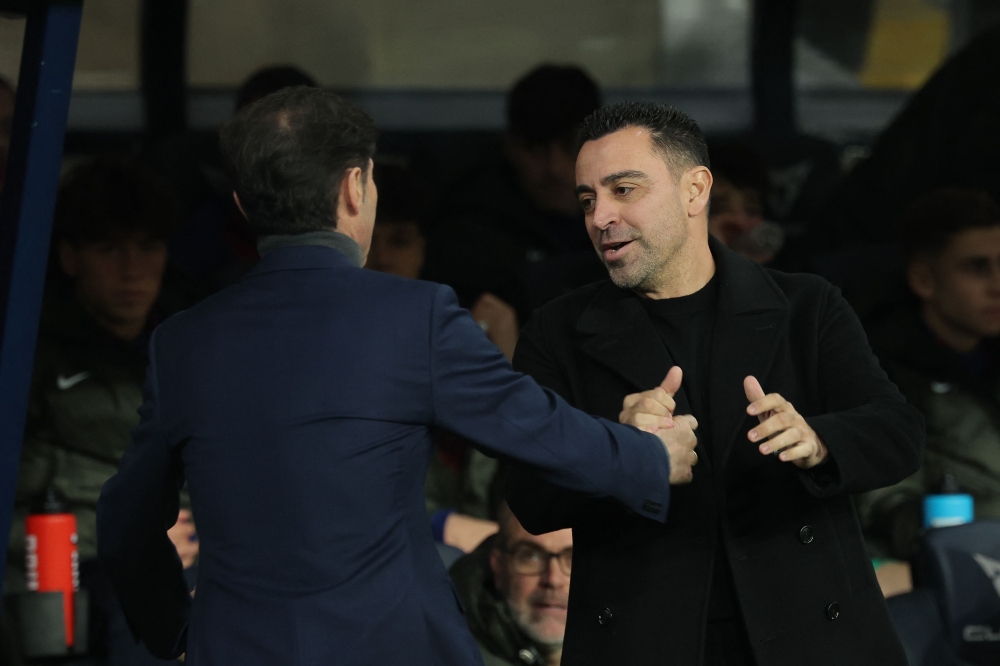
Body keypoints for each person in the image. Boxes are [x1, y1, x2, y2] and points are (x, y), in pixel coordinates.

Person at [95, 87, 698, 665]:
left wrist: (172, 626)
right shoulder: (416, 317)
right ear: (355, 186)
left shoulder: (183, 343)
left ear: (243, 206)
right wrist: (649, 456)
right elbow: (541, 432)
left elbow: (125, 520)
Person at [505, 101, 925, 666]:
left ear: (695, 190)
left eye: (623, 190)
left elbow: (898, 433)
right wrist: (620, 454)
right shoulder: (557, 332)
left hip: (811, 637)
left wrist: (818, 441)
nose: (599, 216)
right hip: (642, 640)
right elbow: (528, 495)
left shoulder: (806, 306)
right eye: (587, 199)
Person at [3, 155, 196, 663]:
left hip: (180, 564)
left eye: (148, 248)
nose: (132, 269)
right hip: (59, 571)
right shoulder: (29, 351)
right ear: (70, 257)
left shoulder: (192, 346)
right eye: (109, 250)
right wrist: (144, 534)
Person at [857, 189, 1000, 582]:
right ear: (924, 279)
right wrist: (945, 542)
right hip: (955, 576)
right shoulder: (877, 372)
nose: (997, 284)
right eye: (977, 268)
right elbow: (886, 500)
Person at [423, 64, 606, 322]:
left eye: (570, 147)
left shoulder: (632, 223)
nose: (554, 168)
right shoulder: (470, 239)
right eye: (537, 149)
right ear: (511, 148)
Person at [450, 501, 571, 666]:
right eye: (530, 556)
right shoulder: (450, 653)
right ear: (498, 566)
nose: (553, 579)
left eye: (572, 559)